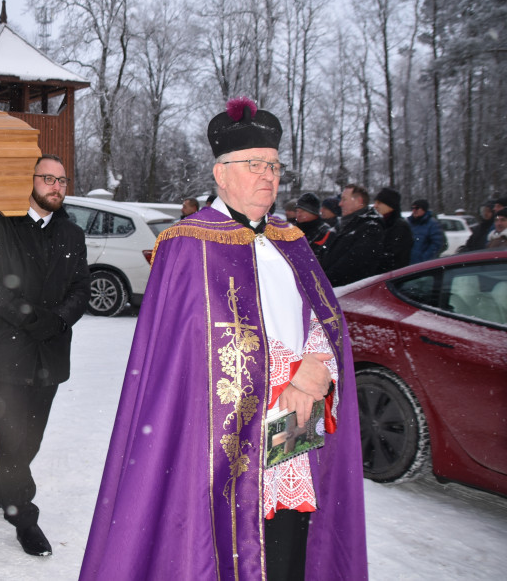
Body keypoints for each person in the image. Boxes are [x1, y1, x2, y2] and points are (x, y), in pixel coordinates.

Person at [81, 97, 367, 580]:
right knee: (217, 544)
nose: (268, 176)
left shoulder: (291, 240)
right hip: (217, 431)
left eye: (274, 165)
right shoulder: (186, 243)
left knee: (287, 540)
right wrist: (278, 373)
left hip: (297, 414)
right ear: (221, 173)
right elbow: (180, 353)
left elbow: (325, 317)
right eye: (254, 164)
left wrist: (316, 368)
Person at [0, 154, 91, 558]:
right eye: (48, 179)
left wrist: (58, 320)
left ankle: (2, 488)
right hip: (4, 351)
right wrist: (30, 317)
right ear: (29, 180)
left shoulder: (71, 233)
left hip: (50, 352)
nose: (57, 187)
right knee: (10, 435)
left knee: (30, 437)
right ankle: (23, 515)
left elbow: (81, 287)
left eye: (62, 180)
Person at [319, 184, 385, 287]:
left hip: (349, 290)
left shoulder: (370, 228)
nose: (340, 204)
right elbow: (324, 255)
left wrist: (322, 282)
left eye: (344, 199)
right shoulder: (342, 225)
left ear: (359, 201)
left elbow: (351, 265)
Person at [373, 187, 413, 271]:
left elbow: (394, 258)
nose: (375, 206)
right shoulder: (381, 223)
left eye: (379, 203)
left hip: (393, 275)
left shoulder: (400, 227)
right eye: (375, 202)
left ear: (391, 206)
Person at [293, 192, 332, 259]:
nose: (298, 215)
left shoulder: (324, 232)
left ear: (313, 212)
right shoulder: (291, 229)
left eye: (303, 211)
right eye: (297, 211)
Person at [408, 199, 446, 264]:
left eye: (417, 208)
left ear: (424, 209)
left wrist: (424, 259)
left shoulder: (433, 224)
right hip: (409, 264)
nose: (414, 210)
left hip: (424, 264)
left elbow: (437, 245)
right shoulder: (409, 223)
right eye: (412, 208)